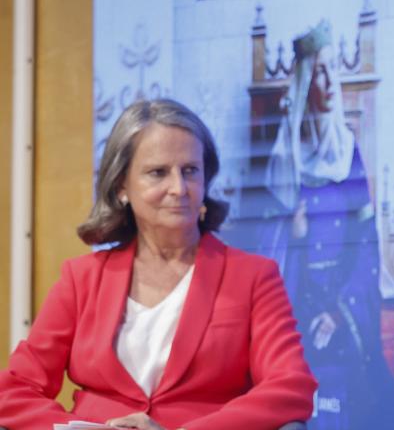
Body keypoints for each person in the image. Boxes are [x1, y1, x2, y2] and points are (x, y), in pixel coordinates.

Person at [0, 99, 317, 430]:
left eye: (190, 171)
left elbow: (290, 386)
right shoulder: (81, 278)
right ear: (122, 185)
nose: (179, 188)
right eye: (158, 172)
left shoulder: (254, 276)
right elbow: (15, 389)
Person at [261, 20, 394, 430]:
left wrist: (339, 309)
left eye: (334, 71)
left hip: (343, 299)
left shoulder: (348, 153)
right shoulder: (284, 159)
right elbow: (266, 249)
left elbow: (365, 242)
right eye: (319, 73)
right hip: (293, 296)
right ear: (304, 85)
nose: (329, 83)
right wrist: (293, 235)